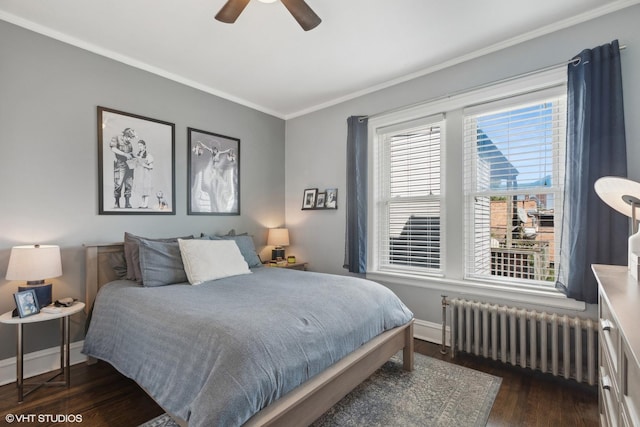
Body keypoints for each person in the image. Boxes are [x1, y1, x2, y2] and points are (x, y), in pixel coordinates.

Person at [110, 128, 136, 208]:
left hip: (129, 165)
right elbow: (113, 148)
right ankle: (116, 202)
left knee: (129, 184)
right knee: (118, 184)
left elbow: (130, 153)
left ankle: (127, 203)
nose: (129, 139)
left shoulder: (130, 144)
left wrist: (135, 157)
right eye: (129, 137)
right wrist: (124, 154)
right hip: (120, 164)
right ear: (125, 135)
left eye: (131, 138)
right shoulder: (116, 138)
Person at [132, 140, 154, 208]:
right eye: (138, 146)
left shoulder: (148, 155)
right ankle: (142, 203)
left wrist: (145, 165)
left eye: (141, 145)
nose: (140, 147)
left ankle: (146, 204)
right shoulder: (138, 155)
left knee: (146, 189)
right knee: (141, 189)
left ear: (144, 146)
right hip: (140, 175)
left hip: (146, 175)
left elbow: (151, 166)